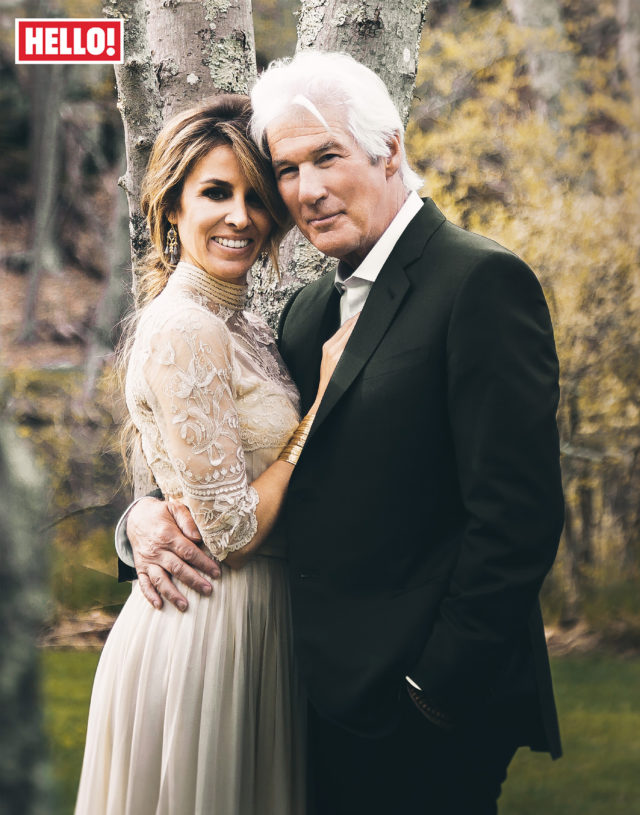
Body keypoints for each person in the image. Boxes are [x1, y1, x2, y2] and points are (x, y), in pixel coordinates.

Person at [118, 52, 565, 814]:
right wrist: (140, 519)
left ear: (389, 148)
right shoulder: (305, 309)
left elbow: (516, 515)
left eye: (327, 157)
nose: (307, 190)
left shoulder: (479, 282)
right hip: (304, 693)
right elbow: (241, 459)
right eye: (287, 170)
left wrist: (435, 688)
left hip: (422, 709)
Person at [76, 93, 356, 815]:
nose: (241, 216)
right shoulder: (186, 326)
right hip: (211, 626)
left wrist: (144, 510)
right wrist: (317, 410)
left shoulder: (248, 323)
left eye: (257, 198)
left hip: (261, 621)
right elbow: (228, 529)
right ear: (171, 206)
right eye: (216, 193)